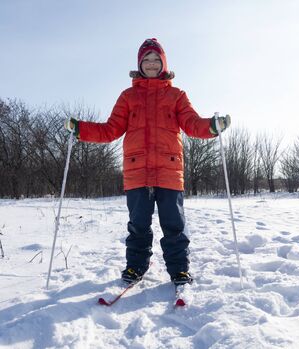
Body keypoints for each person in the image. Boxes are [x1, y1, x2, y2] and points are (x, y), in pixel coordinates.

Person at [64, 38, 230, 286]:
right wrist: (80, 130)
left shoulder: (176, 95)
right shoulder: (128, 96)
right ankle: (135, 267)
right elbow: (111, 129)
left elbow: (192, 124)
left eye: (156, 60)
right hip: (136, 172)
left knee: (174, 225)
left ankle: (179, 270)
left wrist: (212, 126)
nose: (151, 64)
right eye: (146, 60)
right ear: (139, 64)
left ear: (163, 63)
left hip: (169, 172)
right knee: (138, 225)